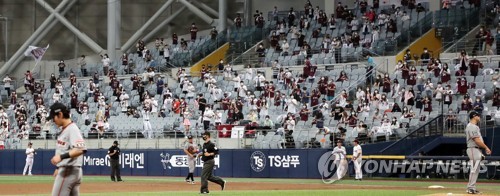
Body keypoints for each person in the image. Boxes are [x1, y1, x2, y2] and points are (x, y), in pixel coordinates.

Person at [47, 102, 87, 196]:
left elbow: (80, 149)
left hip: (68, 171)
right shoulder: (67, 129)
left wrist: (61, 157)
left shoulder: (72, 129)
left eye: (54, 117)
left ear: (60, 114)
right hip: (73, 171)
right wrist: (58, 167)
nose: (53, 120)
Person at [465, 111, 492, 194]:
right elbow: (476, 140)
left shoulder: (474, 126)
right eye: (478, 115)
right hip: (473, 149)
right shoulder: (471, 126)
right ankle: (470, 188)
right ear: (474, 116)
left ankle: (471, 187)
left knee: (475, 169)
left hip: (476, 150)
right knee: (474, 169)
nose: (479, 117)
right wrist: (486, 147)